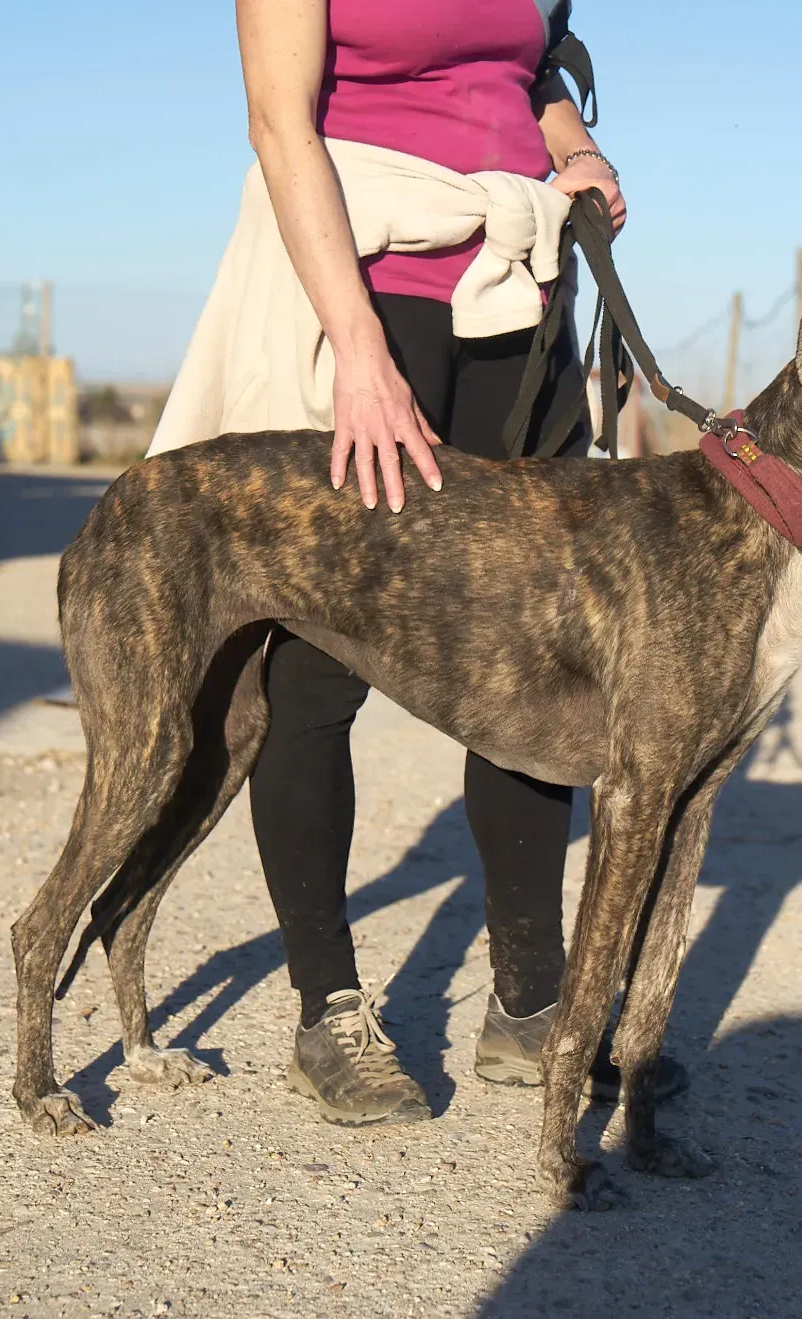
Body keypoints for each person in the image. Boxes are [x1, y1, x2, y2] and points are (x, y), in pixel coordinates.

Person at [177, 0, 687, 1125]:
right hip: (368, 298)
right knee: (316, 664)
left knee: (542, 669)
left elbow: (532, 62)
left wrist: (574, 145)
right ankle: (329, 1010)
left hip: (522, 302)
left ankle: (530, 1003)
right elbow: (279, 124)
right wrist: (358, 352)